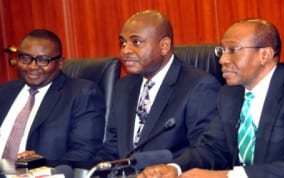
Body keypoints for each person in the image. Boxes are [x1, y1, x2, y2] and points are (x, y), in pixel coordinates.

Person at [138, 19, 284, 178]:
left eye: (233, 50)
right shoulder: (230, 95)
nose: (222, 60)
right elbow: (212, 149)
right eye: (221, 51)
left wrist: (226, 176)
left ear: (264, 55)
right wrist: (175, 168)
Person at [95, 9, 221, 164]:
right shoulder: (124, 86)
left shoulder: (199, 86)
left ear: (164, 46)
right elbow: (113, 146)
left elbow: (205, 153)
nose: (126, 50)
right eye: (123, 43)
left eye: (136, 42)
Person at [0, 29, 106, 162]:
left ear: (60, 63)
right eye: (26, 58)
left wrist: (41, 164)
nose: (32, 66)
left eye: (43, 60)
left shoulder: (81, 93)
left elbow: (84, 153)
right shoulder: (5, 91)